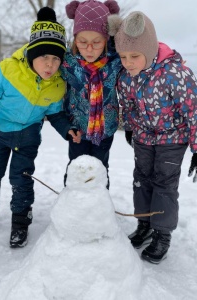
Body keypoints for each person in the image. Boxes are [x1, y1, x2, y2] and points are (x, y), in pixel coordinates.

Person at [0, 7, 81, 248]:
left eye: (56, 58)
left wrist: (67, 129)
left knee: (21, 179)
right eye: (44, 57)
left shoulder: (58, 84)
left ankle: (20, 220)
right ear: (31, 54)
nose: (50, 65)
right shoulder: (9, 70)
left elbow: (56, 113)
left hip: (28, 138)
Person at [108, 11, 197, 263]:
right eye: (123, 56)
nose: (128, 62)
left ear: (150, 50)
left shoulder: (176, 74)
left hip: (172, 139)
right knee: (141, 180)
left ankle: (162, 233)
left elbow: (194, 112)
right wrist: (130, 127)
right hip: (143, 137)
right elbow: (128, 105)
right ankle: (145, 224)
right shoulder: (125, 77)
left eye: (134, 56)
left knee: (164, 184)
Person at [62, 0, 122, 188]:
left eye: (96, 42)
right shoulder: (67, 63)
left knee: (100, 168)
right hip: (77, 129)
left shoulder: (117, 61)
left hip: (105, 129)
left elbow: (144, 52)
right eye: (83, 42)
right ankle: (72, 202)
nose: (89, 49)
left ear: (106, 40)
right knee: (76, 167)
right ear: (75, 40)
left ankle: (99, 207)